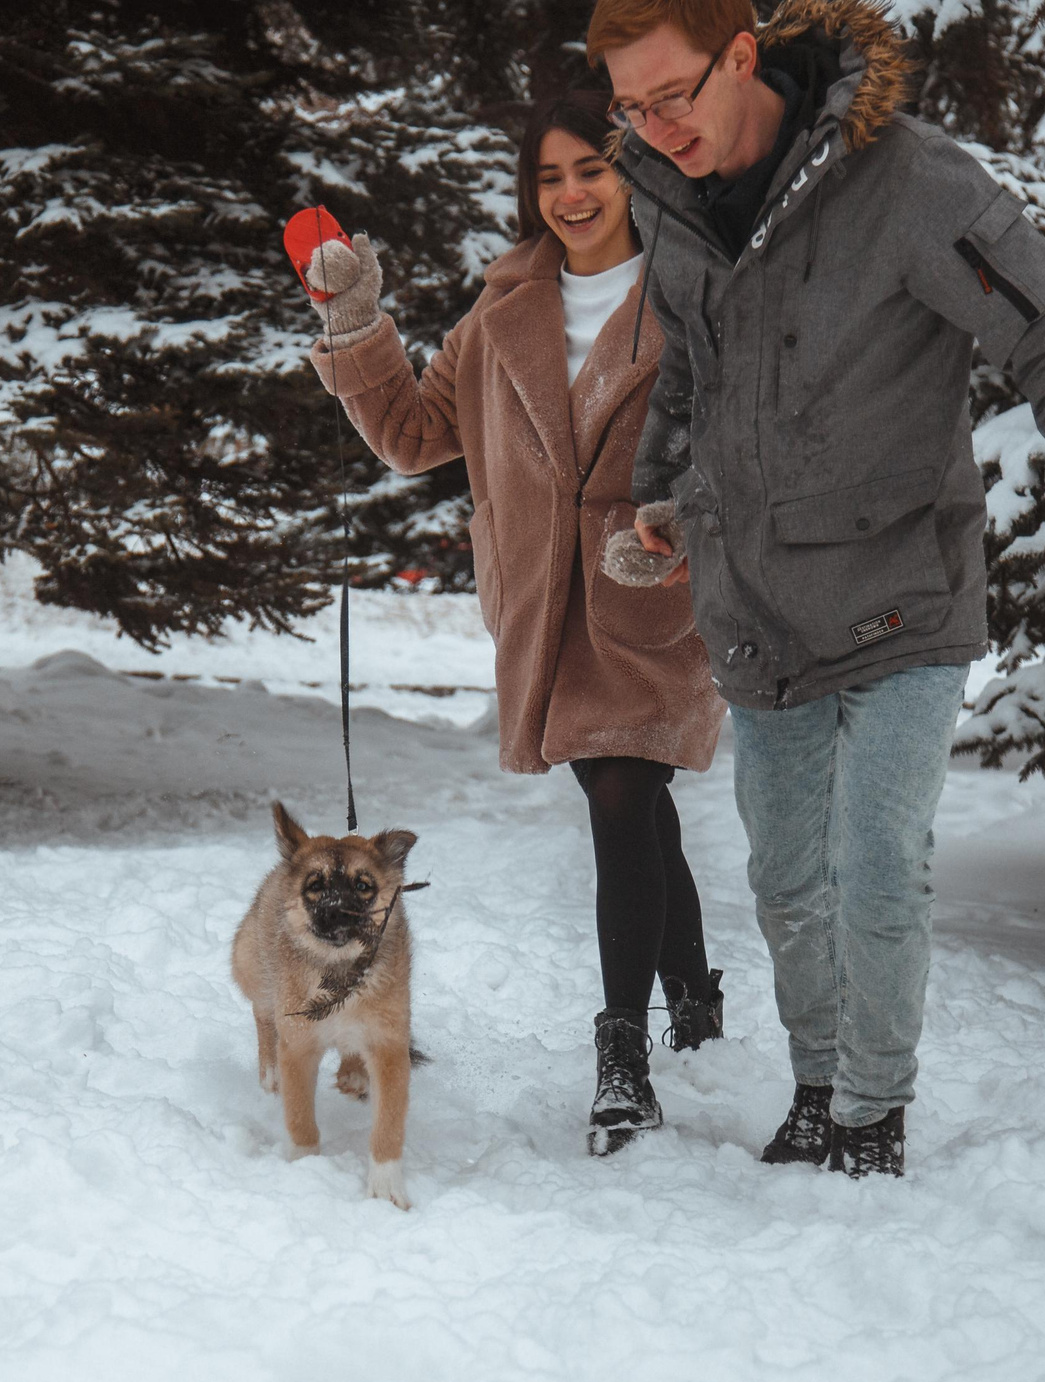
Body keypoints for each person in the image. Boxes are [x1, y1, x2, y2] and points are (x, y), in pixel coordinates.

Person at [592, 0, 1045, 1177]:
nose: (652, 127)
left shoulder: (906, 180)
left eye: (671, 97)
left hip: (904, 582)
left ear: (738, 54)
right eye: (629, 106)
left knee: (875, 862)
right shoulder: (665, 189)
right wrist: (661, 492)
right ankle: (816, 1089)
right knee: (785, 875)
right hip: (756, 599)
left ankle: (872, 1110)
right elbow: (690, 359)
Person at [296, 90, 730, 1156]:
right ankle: (692, 989)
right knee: (631, 796)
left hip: (652, 590)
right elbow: (409, 432)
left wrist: (681, 520)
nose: (573, 193)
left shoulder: (696, 292)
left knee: (627, 790)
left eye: (592, 168)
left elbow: (739, 439)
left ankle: (622, 1052)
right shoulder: (501, 313)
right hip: (541, 606)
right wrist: (354, 325)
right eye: (549, 177)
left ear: (634, 170)